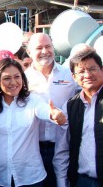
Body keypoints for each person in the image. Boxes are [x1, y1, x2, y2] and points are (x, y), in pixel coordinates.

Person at [0, 58, 66, 187]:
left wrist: (54, 114)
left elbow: (44, 110)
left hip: (30, 176)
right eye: (7, 78)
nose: (13, 82)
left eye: (17, 77)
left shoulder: (32, 99)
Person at [25, 33, 79, 187]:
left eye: (48, 46)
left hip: (64, 147)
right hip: (32, 149)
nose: (44, 51)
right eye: (39, 48)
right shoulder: (22, 78)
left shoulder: (69, 74)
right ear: (29, 52)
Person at [54, 47, 103, 187]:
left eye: (92, 69)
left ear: (102, 70)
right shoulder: (71, 106)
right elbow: (62, 150)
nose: (87, 75)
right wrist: (62, 183)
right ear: (74, 77)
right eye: (81, 71)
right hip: (82, 181)